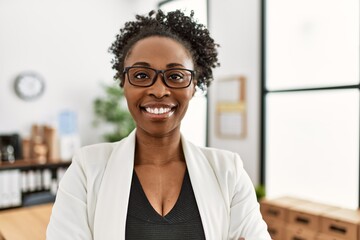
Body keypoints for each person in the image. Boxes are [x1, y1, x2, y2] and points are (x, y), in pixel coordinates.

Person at [46, 9, 271, 240]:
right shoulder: (87, 169)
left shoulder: (228, 171)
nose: (159, 90)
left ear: (194, 86)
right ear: (124, 83)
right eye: (142, 75)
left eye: (175, 76)